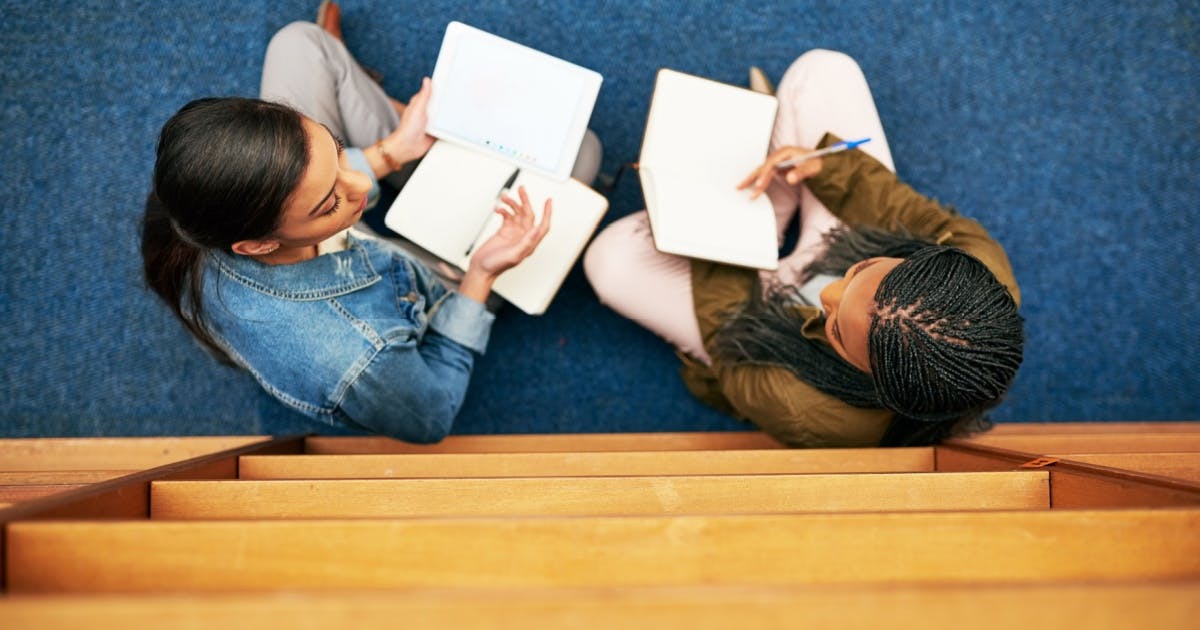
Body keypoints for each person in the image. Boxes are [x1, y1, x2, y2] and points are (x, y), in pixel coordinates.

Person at [141, 4, 601, 442]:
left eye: (337, 151)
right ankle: (403, 130)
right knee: (583, 155)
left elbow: (346, 183)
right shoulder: (358, 358)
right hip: (427, 286)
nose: (361, 182)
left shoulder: (193, 199)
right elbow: (432, 414)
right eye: (328, 201)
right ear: (256, 245)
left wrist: (391, 151)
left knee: (300, 42)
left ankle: (380, 144)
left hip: (331, 247)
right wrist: (481, 274)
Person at [584, 49, 1024, 447]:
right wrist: (827, 168)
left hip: (753, 318)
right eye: (861, 273)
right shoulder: (979, 273)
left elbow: (727, 333)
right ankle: (772, 185)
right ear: (924, 259)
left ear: (873, 382)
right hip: (840, 241)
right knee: (823, 70)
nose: (826, 297)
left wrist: (710, 218)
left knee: (609, 261)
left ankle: (759, 194)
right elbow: (910, 211)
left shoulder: (803, 409)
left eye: (834, 330)